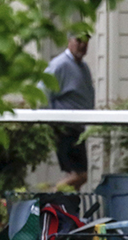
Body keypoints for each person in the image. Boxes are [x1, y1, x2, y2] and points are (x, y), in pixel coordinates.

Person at [39, 33, 95, 191]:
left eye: (85, 41)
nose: (82, 45)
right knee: (78, 175)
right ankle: (46, 197)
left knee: (79, 176)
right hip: (65, 127)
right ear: (69, 41)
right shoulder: (60, 65)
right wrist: (50, 122)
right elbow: (43, 93)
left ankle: (68, 211)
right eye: (78, 41)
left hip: (78, 128)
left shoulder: (83, 67)